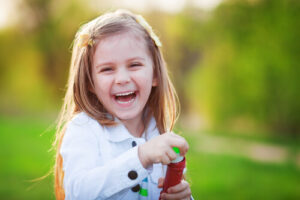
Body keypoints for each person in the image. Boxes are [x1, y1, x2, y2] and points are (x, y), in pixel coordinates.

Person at [53, 9, 192, 200]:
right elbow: (78, 193)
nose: (122, 79)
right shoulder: (84, 129)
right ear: (90, 82)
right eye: (107, 69)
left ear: (155, 75)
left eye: (134, 65)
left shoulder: (159, 133)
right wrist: (140, 157)